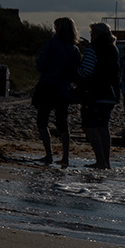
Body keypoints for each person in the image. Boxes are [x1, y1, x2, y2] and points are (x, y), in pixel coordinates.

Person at [32, 16, 79, 166]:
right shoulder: (75, 49)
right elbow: (75, 72)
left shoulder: (52, 44)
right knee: (63, 124)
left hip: (48, 86)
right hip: (64, 89)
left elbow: (41, 64)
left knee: (42, 121)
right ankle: (65, 157)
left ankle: (49, 154)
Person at [76, 22, 120, 169]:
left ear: (96, 34)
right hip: (111, 93)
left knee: (89, 126)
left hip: (95, 92)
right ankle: (106, 162)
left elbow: (86, 71)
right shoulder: (112, 48)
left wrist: (75, 74)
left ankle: (100, 160)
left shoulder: (94, 48)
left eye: (92, 32)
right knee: (103, 127)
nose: (91, 34)